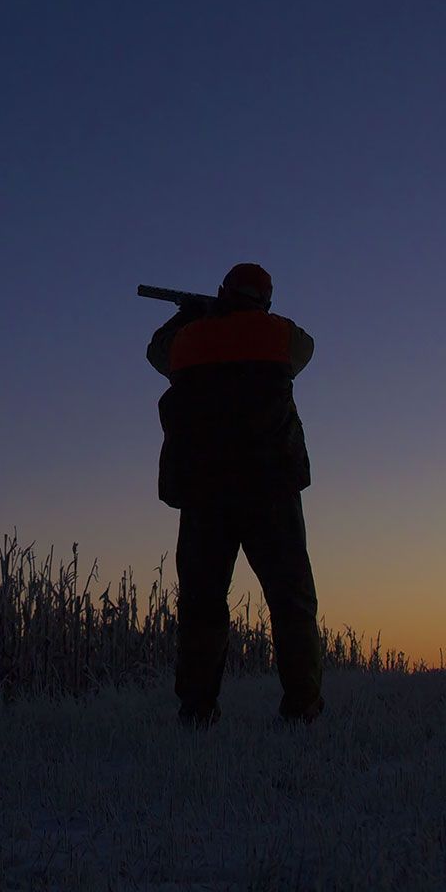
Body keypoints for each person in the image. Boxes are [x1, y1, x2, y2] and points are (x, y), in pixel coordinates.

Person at [146, 262, 323, 725]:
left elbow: (157, 353)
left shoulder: (189, 339)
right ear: (266, 300)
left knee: (202, 604)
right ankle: (303, 708)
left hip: (205, 493)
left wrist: (190, 314)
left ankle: (197, 711)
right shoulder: (278, 335)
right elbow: (305, 346)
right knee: (291, 601)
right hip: (272, 490)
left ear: (222, 292)